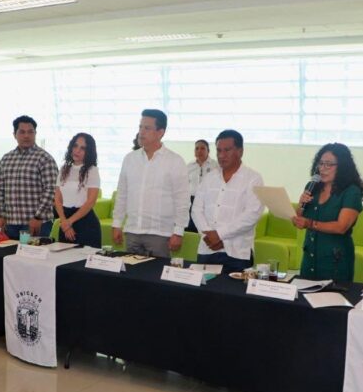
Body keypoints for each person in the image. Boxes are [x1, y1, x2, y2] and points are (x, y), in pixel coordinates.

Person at [112, 109, 189, 258]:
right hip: (132, 231)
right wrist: (117, 224)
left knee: (155, 273)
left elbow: (182, 200)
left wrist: (178, 232)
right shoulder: (130, 159)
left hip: (160, 234)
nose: (141, 132)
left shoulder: (175, 161)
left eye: (147, 128)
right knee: (130, 273)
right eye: (140, 127)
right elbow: (122, 195)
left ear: (160, 132)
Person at [291, 143, 363, 282]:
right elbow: (299, 220)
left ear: (342, 166)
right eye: (320, 163)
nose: (322, 168)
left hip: (335, 261)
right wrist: (300, 205)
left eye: (329, 164)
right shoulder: (312, 186)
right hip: (309, 258)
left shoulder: (351, 191)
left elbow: (341, 227)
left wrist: (310, 223)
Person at [192, 130, 263, 272]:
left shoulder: (253, 179)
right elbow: (196, 210)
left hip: (237, 253)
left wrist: (219, 235)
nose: (221, 155)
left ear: (240, 151)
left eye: (227, 150)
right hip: (207, 249)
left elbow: (252, 215)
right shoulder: (209, 178)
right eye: (218, 150)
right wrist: (208, 235)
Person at [0, 115, 59, 239]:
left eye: (30, 132)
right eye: (22, 132)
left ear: (35, 133)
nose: (26, 136)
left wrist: (38, 217)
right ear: (14, 134)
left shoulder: (45, 158)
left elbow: (51, 190)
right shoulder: (6, 159)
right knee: (9, 252)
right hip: (10, 223)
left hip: (35, 223)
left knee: (31, 252)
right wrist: (0, 215)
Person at [54, 132, 101, 247]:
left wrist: (69, 222)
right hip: (65, 222)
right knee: (63, 257)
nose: (77, 150)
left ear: (89, 152)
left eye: (82, 148)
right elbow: (57, 199)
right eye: (75, 146)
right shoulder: (64, 169)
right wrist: (64, 221)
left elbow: (90, 202)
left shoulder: (92, 170)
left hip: (85, 223)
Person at [187, 139, 218, 232]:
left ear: (208, 151)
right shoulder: (189, 166)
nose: (199, 151)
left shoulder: (215, 166)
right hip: (191, 200)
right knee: (191, 227)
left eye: (202, 148)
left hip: (208, 200)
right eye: (197, 148)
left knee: (205, 226)